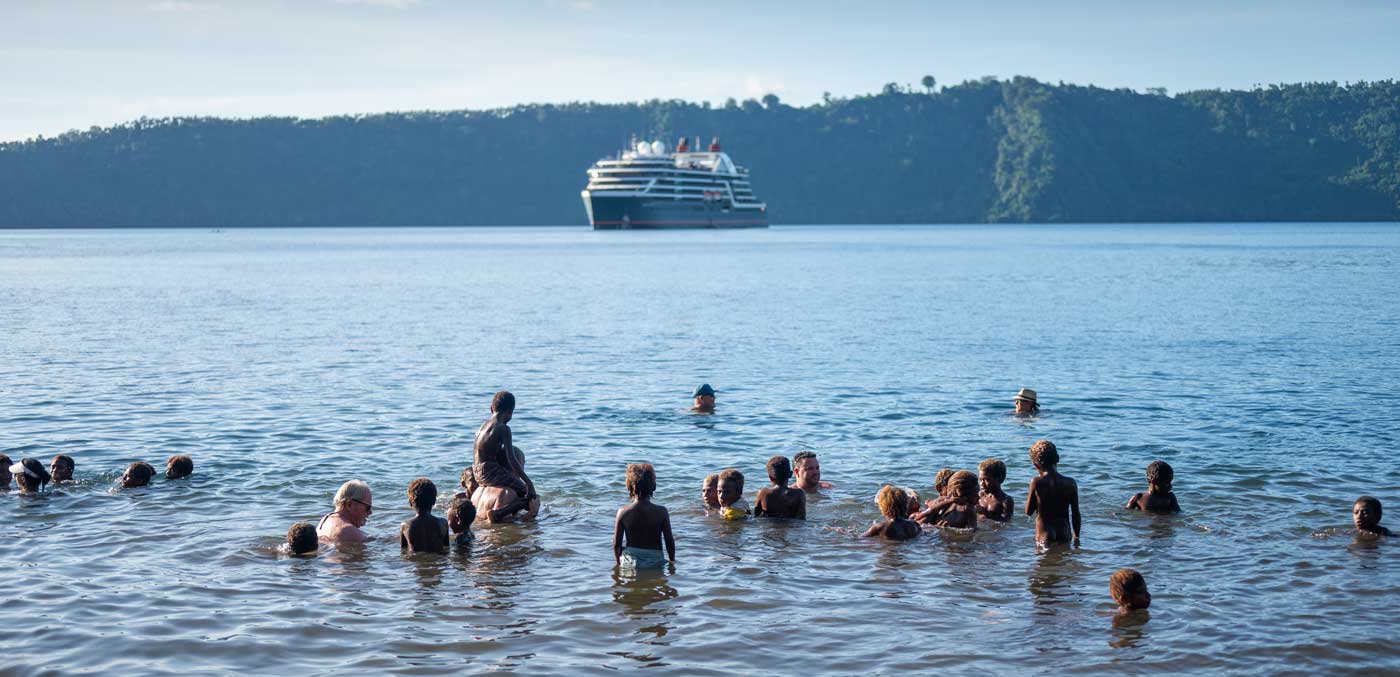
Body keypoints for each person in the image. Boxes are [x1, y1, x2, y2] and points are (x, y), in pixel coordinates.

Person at [472, 391, 536, 522]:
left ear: (491, 408)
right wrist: (529, 483)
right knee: (528, 494)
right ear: (510, 413)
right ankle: (498, 513)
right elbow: (512, 459)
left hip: (477, 471)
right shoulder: (503, 429)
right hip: (490, 471)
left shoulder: (482, 426)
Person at [613, 463, 675, 569]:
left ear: (629, 486)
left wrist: (619, 563)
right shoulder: (661, 512)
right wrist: (672, 562)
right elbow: (669, 541)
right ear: (654, 486)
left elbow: (616, 544)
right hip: (655, 560)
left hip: (630, 563)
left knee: (630, 584)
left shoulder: (623, 512)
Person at [1025, 440, 1081, 545]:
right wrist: (1076, 536)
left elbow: (1028, 511)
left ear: (1035, 465)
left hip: (1044, 534)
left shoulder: (1036, 482)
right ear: (1058, 459)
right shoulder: (1071, 483)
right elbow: (1076, 514)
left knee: (1044, 560)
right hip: (1065, 533)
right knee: (1064, 559)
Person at [472, 445, 540, 524]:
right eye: (523, 463)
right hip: (492, 535)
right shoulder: (507, 493)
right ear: (516, 466)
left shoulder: (478, 490)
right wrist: (532, 514)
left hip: (479, 534)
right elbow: (501, 527)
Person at [400, 478, 449, 554]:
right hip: (438, 563)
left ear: (410, 502)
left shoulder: (405, 526)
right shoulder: (443, 523)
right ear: (434, 502)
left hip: (415, 564)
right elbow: (446, 549)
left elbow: (403, 551)